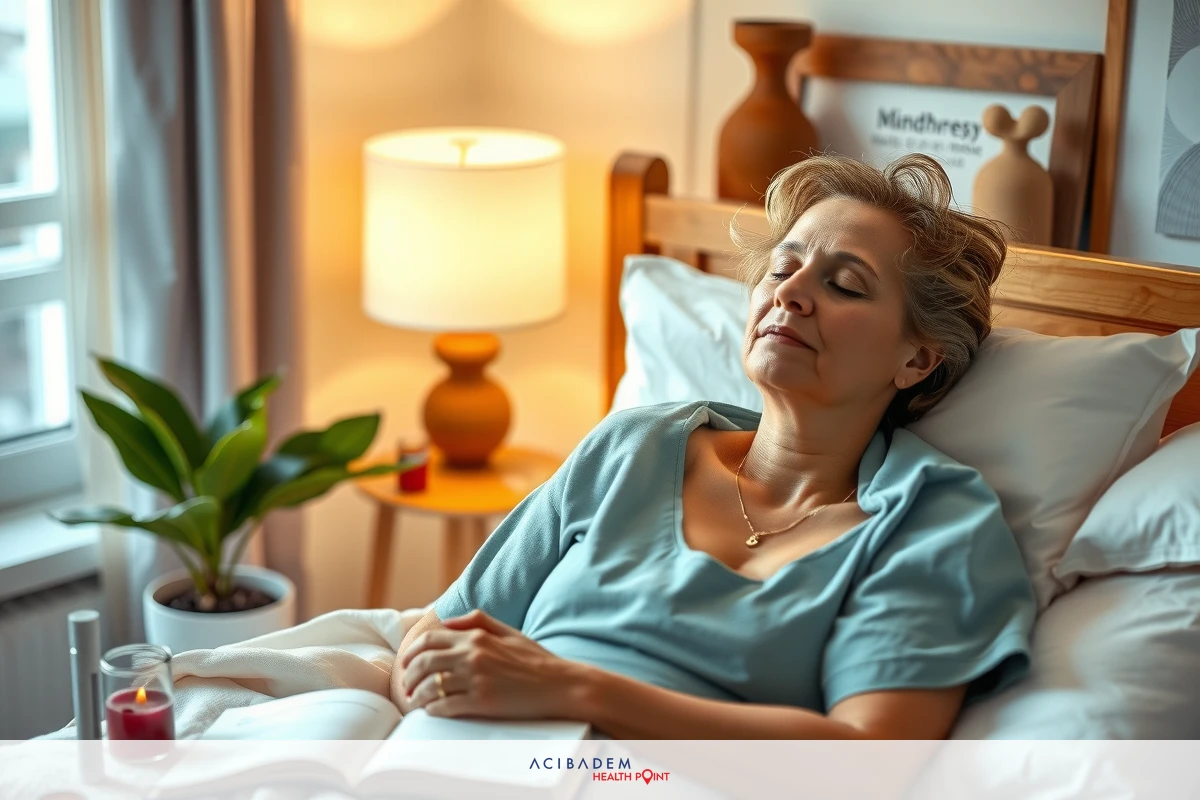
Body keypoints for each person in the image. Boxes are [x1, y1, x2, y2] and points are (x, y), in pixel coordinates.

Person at [390, 153, 1036, 739]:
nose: (789, 293)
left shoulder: (930, 522)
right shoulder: (633, 446)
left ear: (917, 359)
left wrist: (574, 688)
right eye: (783, 267)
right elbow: (437, 634)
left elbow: (868, 763)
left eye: (844, 284)